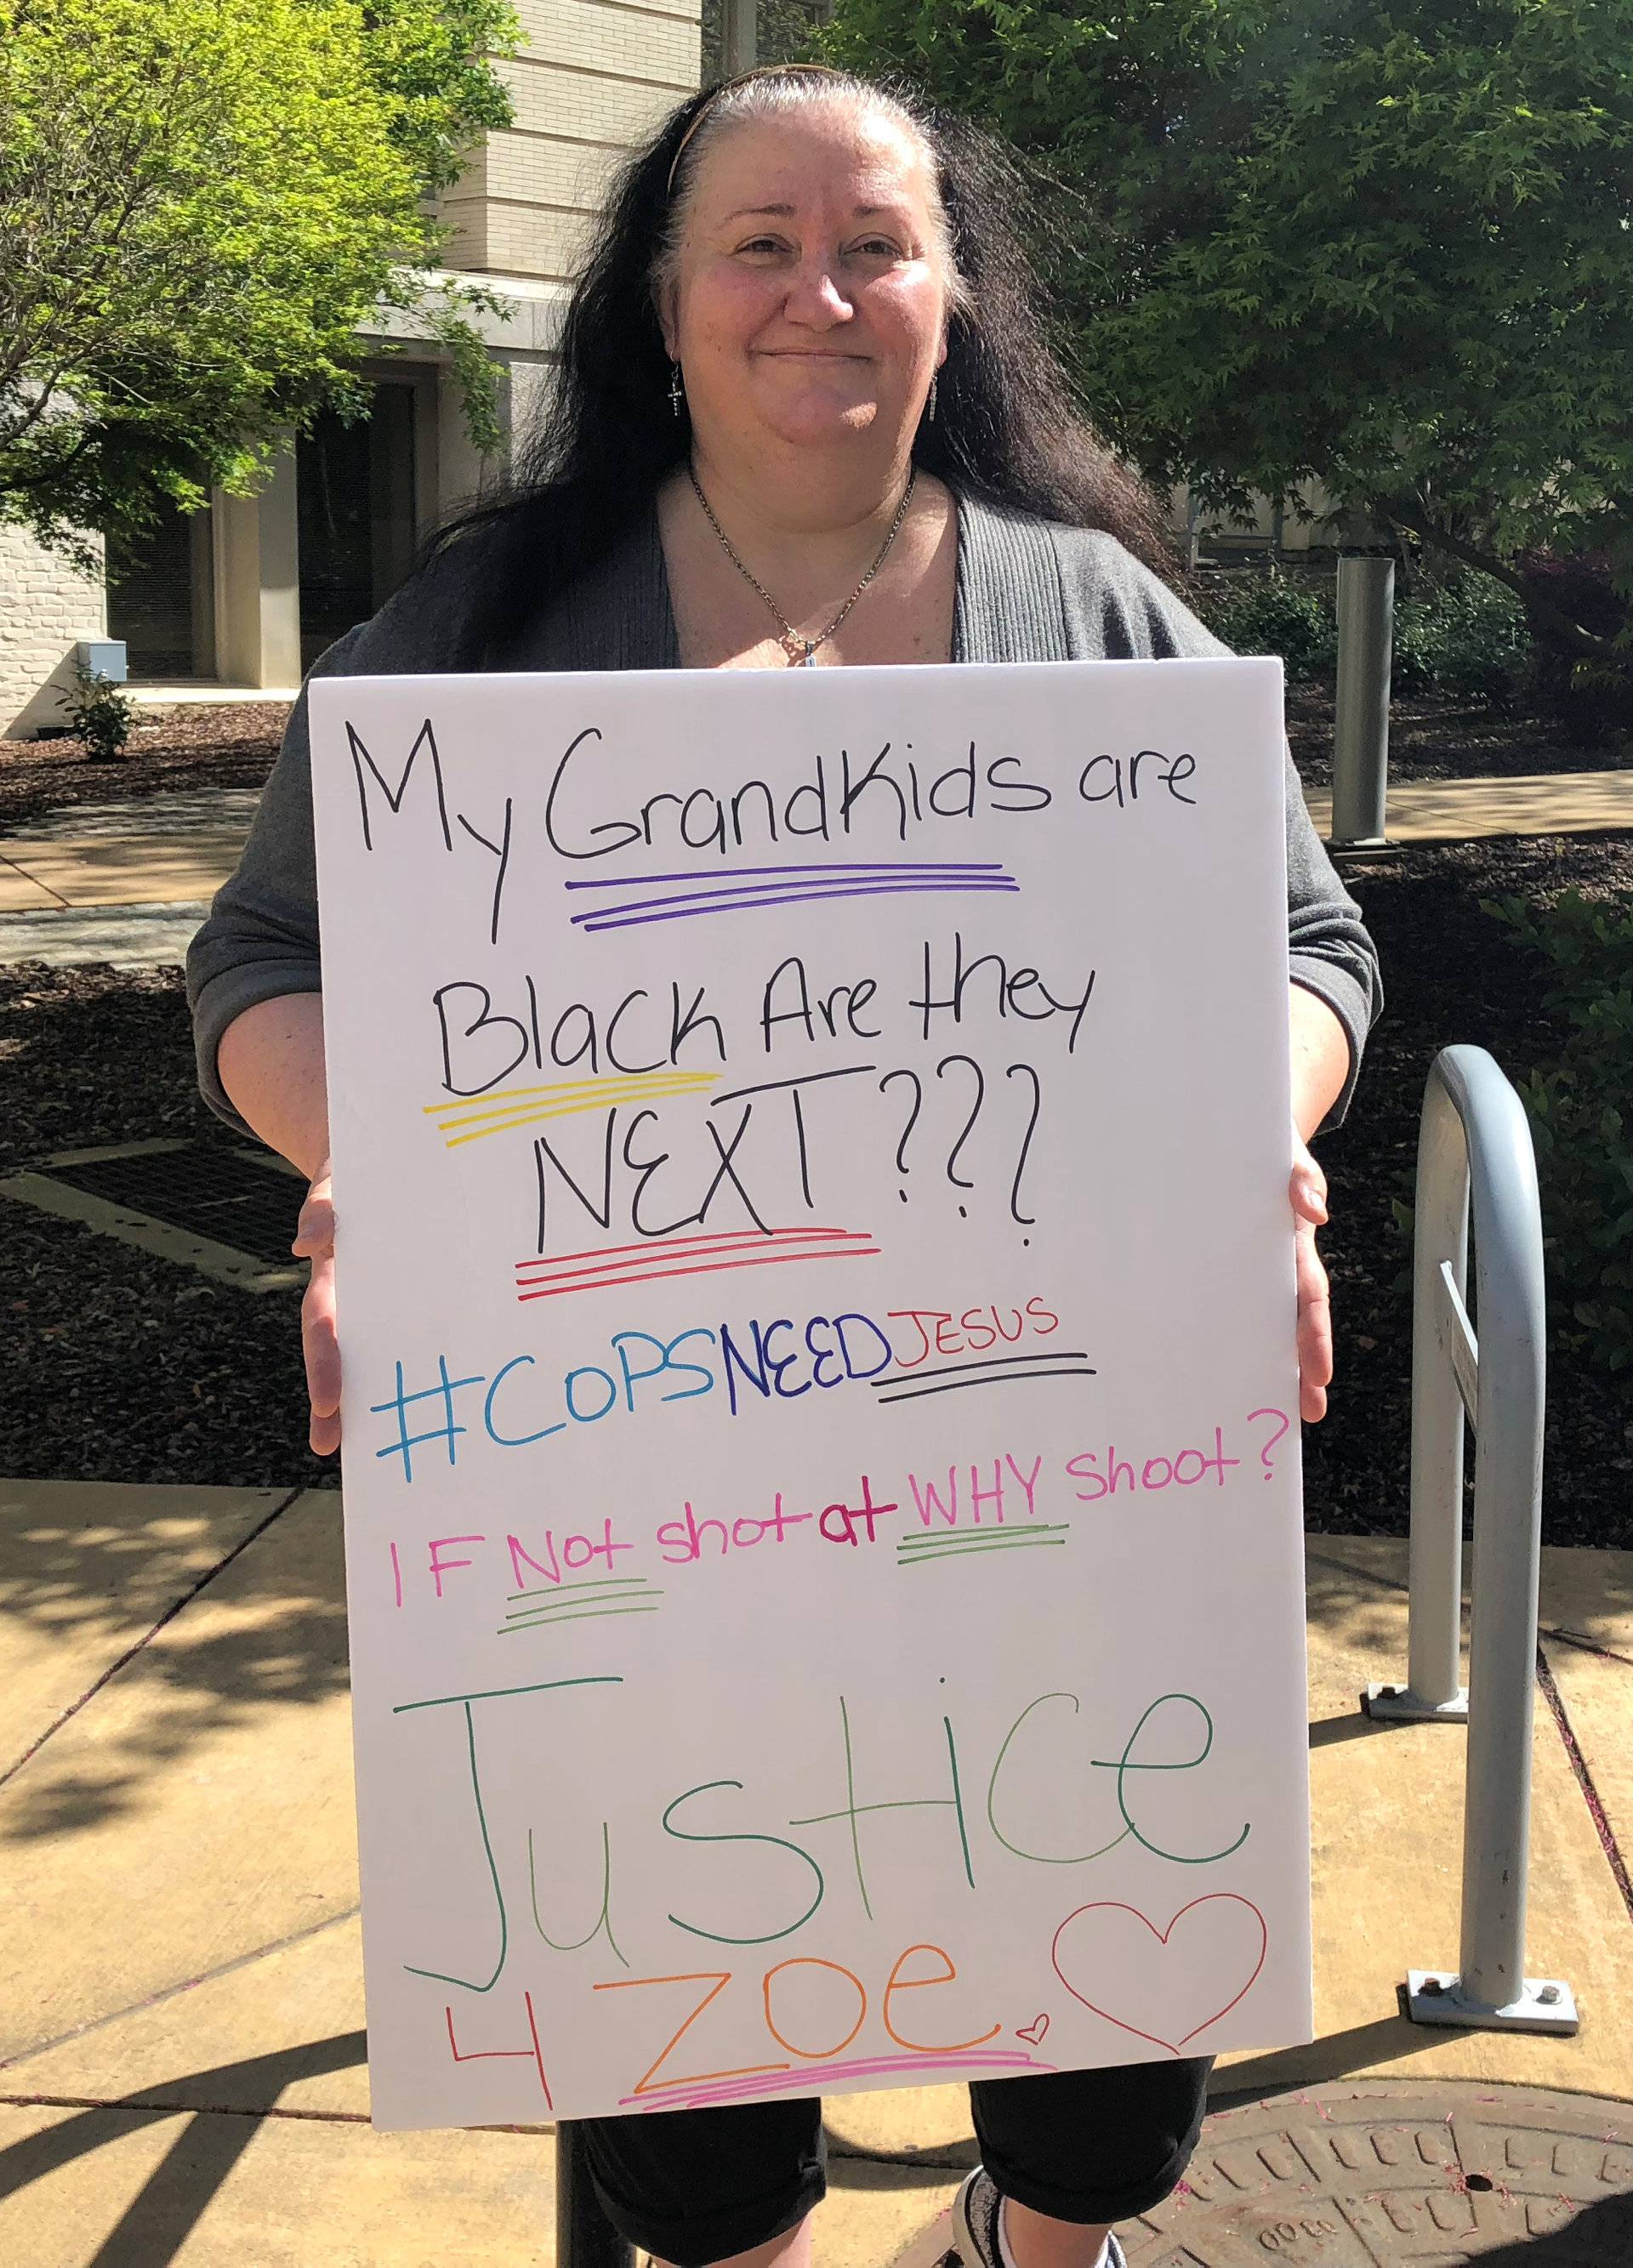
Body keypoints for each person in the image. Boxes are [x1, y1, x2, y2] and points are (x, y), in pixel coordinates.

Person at [188, 61, 1380, 2268]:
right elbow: (262, 955)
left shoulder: (1089, 613)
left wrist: (1235, 1132)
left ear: (953, 301)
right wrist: (409, 1176)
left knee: (1089, 1944)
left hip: (1057, 1437)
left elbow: (1303, 940)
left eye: (875, 244)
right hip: (627, 1461)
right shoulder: (495, 620)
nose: (818, 291)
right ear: (663, 300)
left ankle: (1051, 2246)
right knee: (680, 1956)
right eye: (761, 242)